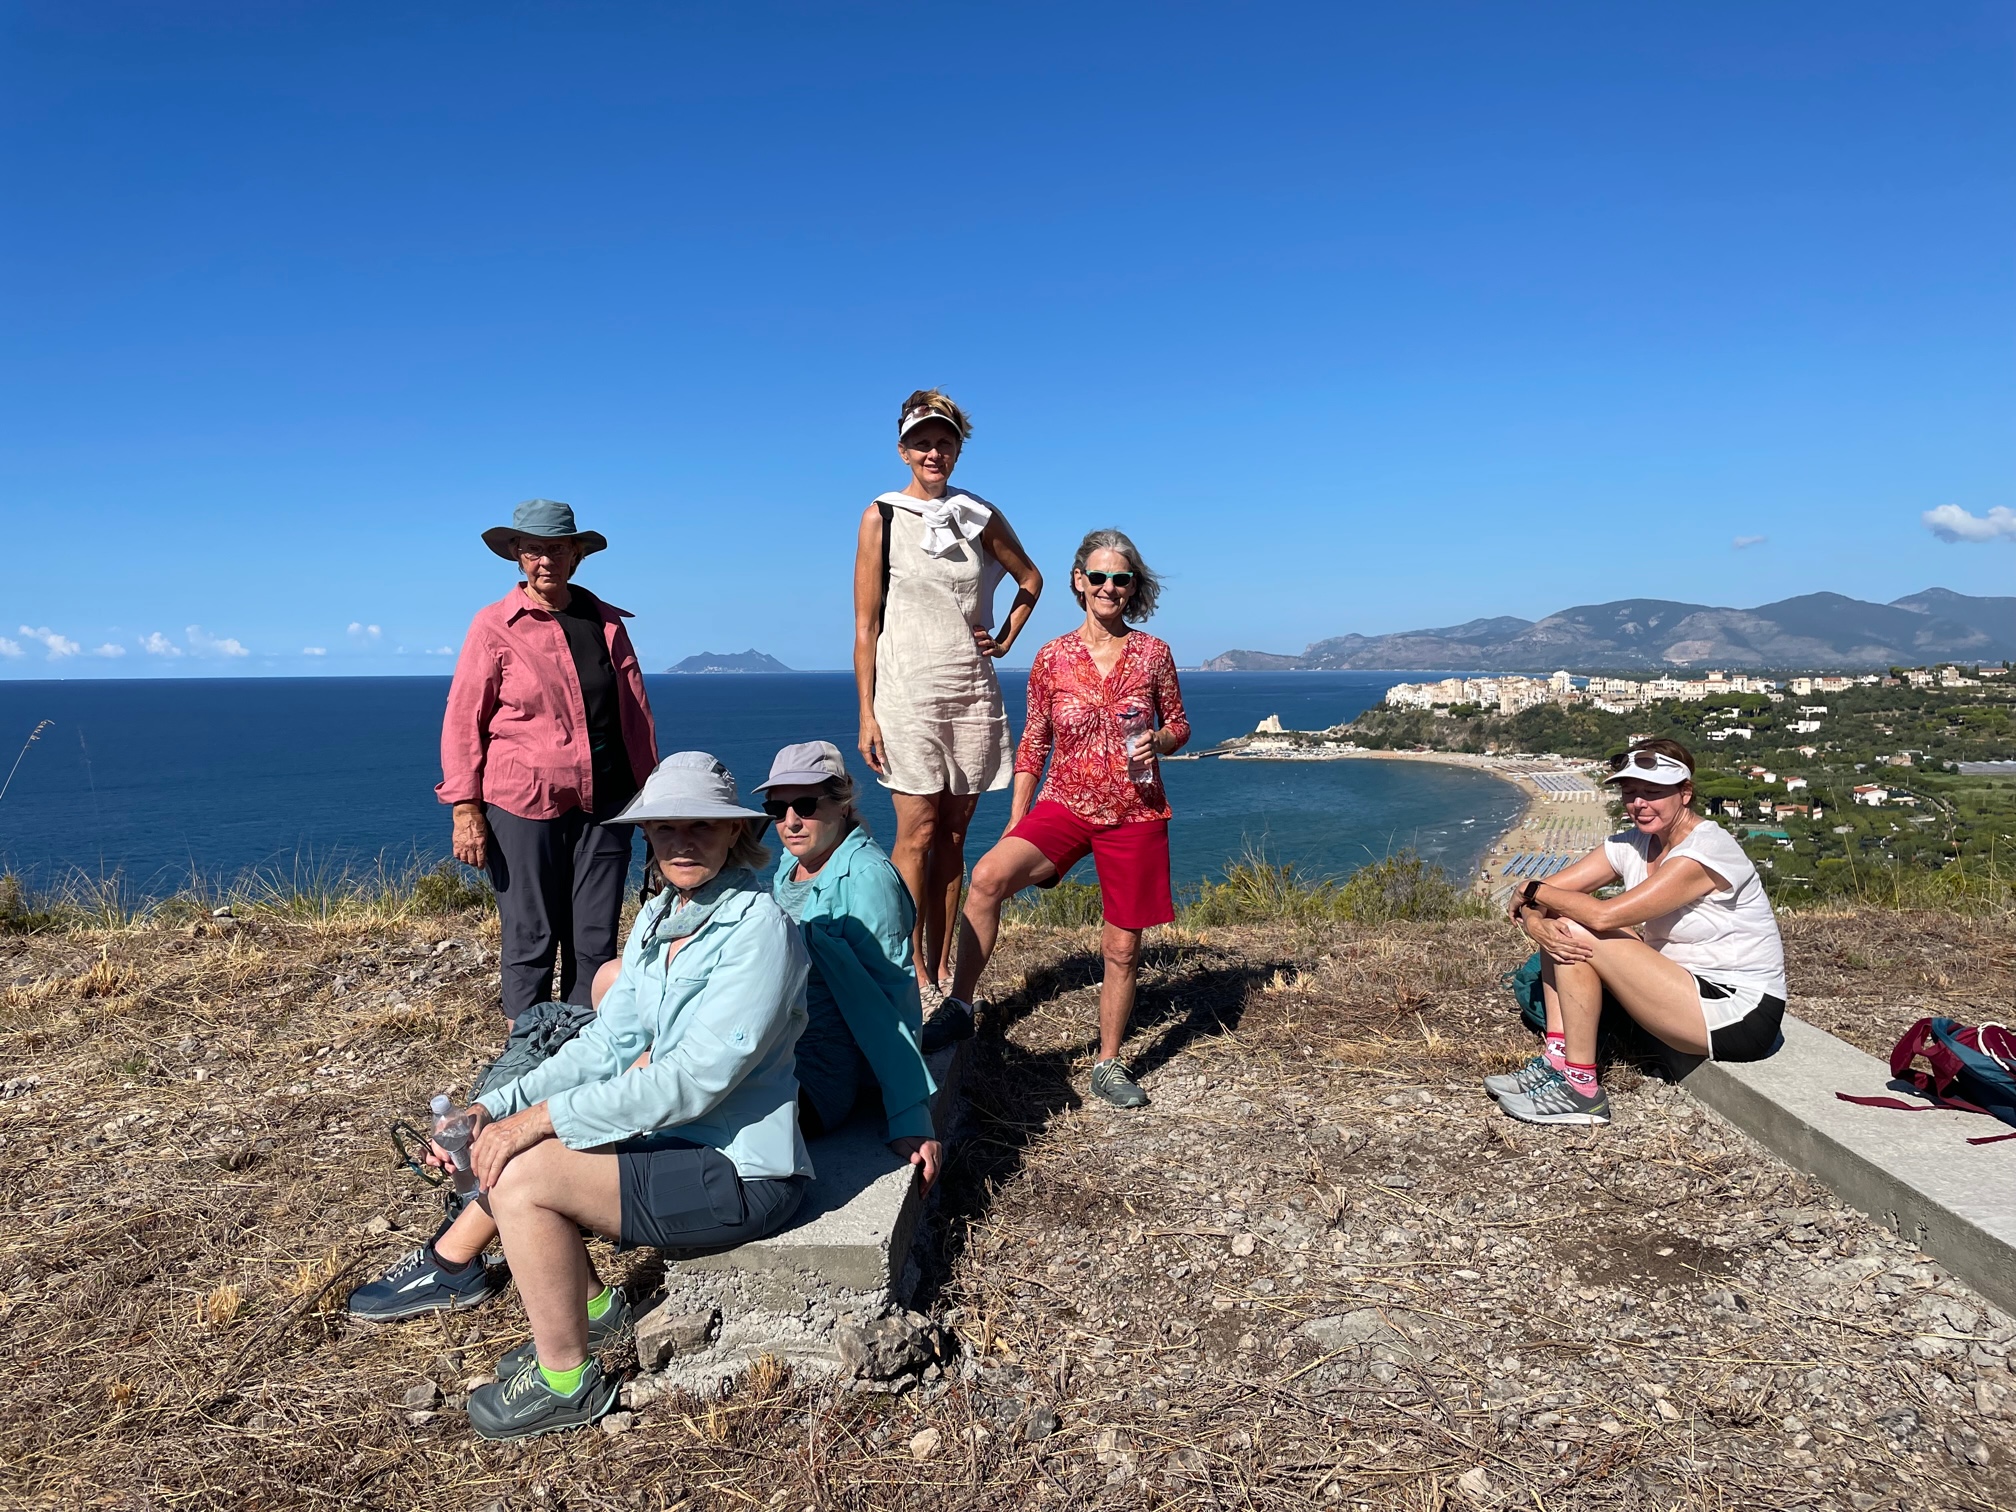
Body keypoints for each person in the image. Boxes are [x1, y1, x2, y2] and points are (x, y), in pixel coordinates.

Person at [355, 753, 811, 1442]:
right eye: (665, 828)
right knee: (516, 1147)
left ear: (735, 836)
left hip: (743, 1172)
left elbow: (696, 1080)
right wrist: (496, 1108)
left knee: (525, 1176)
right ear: (648, 838)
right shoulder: (666, 914)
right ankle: (593, 1312)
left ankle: (568, 1380)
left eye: (702, 827)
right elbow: (604, 1048)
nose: (682, 841)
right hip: (680, 1145)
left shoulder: (759, 931)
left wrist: (531, 1127)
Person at [928, 529, 1189, 1110]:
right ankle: (961, 1006)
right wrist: (1017, 821)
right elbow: (1033, 744)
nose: (1109, 588)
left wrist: (1160, 740)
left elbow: (1179, 724)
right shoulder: (1051, 657)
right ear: (1079, 581)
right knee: (989, 878)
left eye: (1121, 579)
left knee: (1121, 947)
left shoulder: (1154, 653)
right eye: (1098, 577)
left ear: (1133, 587)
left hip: (1135, 813)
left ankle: (1108, 1063)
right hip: (1065, 805)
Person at [1486, 737, 1788, 1127]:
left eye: (1653, 792)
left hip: (1738, 1013)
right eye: (1630, 793)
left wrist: (1530, 890)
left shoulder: (1706, 850)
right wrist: (1536, 919)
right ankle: (1558, 1062)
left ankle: (1581, 1091)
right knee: (1563, 925)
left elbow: (1601, 916)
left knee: (1577, 927)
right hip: (1683, 988)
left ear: (1685, 793)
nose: (1639, 804)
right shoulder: (1632, 844)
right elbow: (1547, 898)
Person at [853, 389, 1042, 1000]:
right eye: (923, 442)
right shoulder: (880, 514)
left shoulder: (980, 514)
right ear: (904, 449)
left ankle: (940, 969)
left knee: (955, 836)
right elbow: (865, 626)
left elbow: (1030, 578)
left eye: (945, 441)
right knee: (916, 832)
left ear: (958, 448)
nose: (934, 452)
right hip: (905, 692)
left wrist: (1007, 636)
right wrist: (866, 713)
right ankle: (907, 968)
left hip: (969, 690)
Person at [438, 498, 659, 1021]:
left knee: (595, 936)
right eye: (533, 548)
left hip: (608, 801)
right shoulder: (494, 625)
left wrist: (656, 801)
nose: (545, 560)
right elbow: (463, 718)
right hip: (521, 801)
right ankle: (526, 1051)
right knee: (530, 933)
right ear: (516, 554)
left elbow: (636, 717)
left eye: (556, 548)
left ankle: (583, 1046)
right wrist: (465, 807)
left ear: (576, 555)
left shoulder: (606, 623)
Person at [753, 740, 943, 1187]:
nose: (790, 822)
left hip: (818, 1073)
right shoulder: (794, 863)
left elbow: (891, 996)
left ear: (842, 804)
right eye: (777, 811)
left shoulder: (867, 878)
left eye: (805, 805)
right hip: (778, 1050)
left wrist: (909, 1113)